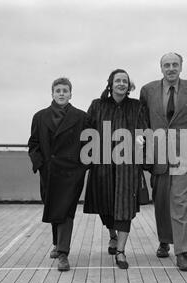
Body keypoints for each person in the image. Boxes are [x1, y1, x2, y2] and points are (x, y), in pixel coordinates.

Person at [139, 52, 187, 271]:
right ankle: (164, 240)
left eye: (174, 64)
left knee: (180, 203)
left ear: (181, 66)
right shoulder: (147, 91)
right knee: (161, 202)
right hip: (157, 154)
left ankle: (183, 252)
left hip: (183, 154)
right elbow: (143, 123)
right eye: (166, 65)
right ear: (161, 68)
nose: (171, 68)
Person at [83, 69, 149, 269]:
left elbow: (143, 131)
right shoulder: (97, 105)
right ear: (110, 84)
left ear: (129, 86)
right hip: (101, 164)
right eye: (117, 80)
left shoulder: (137, 106)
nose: (121, 83)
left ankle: (120, 251)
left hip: (127, 166)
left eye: (125, 81)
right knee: (105, 206)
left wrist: (139, 148)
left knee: (124, 208)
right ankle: (112, 235)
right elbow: (88, 132)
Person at [28, 77, 89, 272]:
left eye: (65, 90)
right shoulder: (39, 116)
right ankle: (57, 243)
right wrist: (40, 165)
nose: (61, 93)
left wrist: (81, 168)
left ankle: (63, 253)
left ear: (71, 94)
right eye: (58, 90)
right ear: (52, 93)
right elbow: (34, 143)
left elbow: (89, 144)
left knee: (66, 211)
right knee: (53, 207)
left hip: (72, 172)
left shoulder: (81, 117)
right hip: (49, 171)